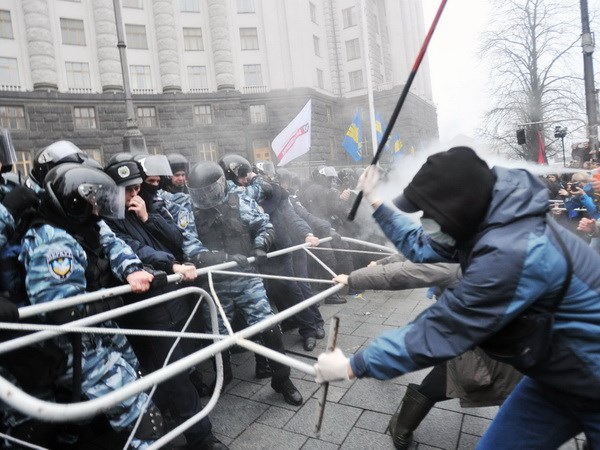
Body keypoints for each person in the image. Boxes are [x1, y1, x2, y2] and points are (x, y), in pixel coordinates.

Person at [314, 147, 600, 449]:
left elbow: (444, 328)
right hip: (554, 375)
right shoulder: (482, 221)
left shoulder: (513, 251)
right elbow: (420, 245)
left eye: (429, 213)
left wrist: (355, 365)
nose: (425, 220)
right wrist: (374, 199)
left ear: (457, 208)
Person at [19, 163, 165, 449]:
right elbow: (61, 313)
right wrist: (108, 300)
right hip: (72, 343)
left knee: (134, 373)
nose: (98, 208)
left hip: (98, 327)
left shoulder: (83, 224)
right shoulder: (53, 242)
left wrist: (132, 269)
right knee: (142, 415)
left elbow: (112, 244)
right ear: (76, 201)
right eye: (94, 201)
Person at [334, 255, 520, 449]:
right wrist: (380, 265)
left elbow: (410, 271)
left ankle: (402, 425)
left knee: (464, 377)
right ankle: (403, 424)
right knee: (505, 389)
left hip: (483, 337)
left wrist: (354, 278)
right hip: (493, 331)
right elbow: (419, 248)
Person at [103, 159, 227, 450]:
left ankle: (171, 420)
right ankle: (202, 437)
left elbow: (176, 239)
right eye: (126, 190)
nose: (133, 195)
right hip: (148, 309)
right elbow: (136, 251)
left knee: (177, 368)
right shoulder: (107, 221)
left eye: (136, 188)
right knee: (172, 374)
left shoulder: (145, 206)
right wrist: (171, 265)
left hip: (173, 302)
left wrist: (149, 219)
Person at [187, 161, 303, 406]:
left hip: (246, 279)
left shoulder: (239, 199)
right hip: (214, 283)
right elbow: (191, 250)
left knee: (269, 327)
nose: (207, 197)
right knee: (217, 335)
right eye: (202, 193)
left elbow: (264, 225)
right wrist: (224, 258)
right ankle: (223, 375)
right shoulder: (188, 209)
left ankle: (282, 379)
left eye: (211, 190)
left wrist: (261, 245)